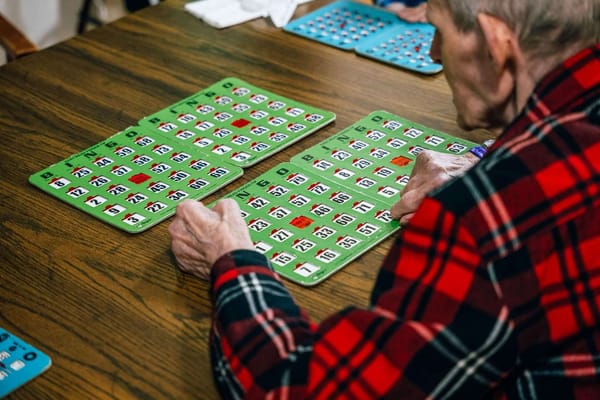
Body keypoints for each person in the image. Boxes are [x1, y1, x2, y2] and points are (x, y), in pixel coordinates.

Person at [169, 0, 600, 397]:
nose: (432, 53)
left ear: (496, 47)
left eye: (440, 32)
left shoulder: (483, 221)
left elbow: (301, 389)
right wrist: (487, 158)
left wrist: (231, 261)